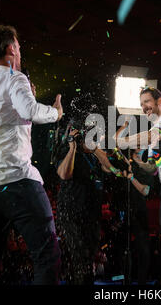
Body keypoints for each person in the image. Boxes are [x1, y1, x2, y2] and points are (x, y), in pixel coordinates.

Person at [0, 25, 63, 285]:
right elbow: (29, 110)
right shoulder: (13, 77)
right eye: (18, 46)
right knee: (47, 256)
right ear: (11, 48)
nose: (20, 51)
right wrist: (55, 113)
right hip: (15, 181)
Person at [115, 87, 161, 285]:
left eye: (146, 102)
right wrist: (135, 165)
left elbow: (149, 136)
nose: (144, 107)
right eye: (141, 104)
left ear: (159, 101)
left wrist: (121, 141)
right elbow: (152, 169)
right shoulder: (155, 135)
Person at [56, 122, 121, 284]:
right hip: (71, 214)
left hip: (91, 214)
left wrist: (95, 149)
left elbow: (111, 168)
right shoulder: (68, 152)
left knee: (90, 257)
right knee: (80, 257)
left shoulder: (95, 155)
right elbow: (64, 174)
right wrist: (72, 149)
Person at [124, 149, 155, 285]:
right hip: (126, 211)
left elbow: (145, 190)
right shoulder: (127, 164)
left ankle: (142, 281)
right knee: (124, 248)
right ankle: (126, 279)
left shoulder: (147, 167)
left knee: (143, 249)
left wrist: (131, 178)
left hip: (141, 212)